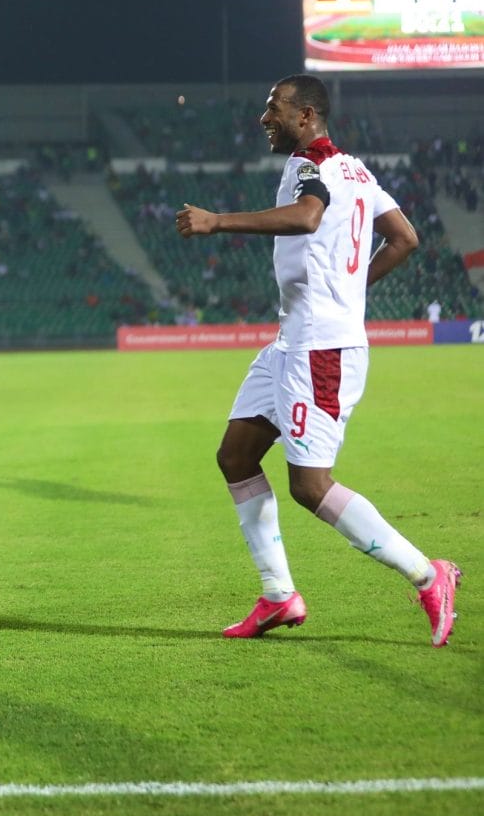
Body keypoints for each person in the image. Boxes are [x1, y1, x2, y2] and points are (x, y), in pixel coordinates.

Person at [175, 74, 461, 646]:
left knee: (310, 486)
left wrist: (217, 221)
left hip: (320, 350)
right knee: (236, 455)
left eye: (273, 108)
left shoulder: (312, 166)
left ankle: (430, 574)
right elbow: (404, 238)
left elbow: (307, 217)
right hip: (290, 342)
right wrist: (354, 290)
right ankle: (279, 596)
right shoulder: (354, 168)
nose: (264, 118)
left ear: (305, 116)